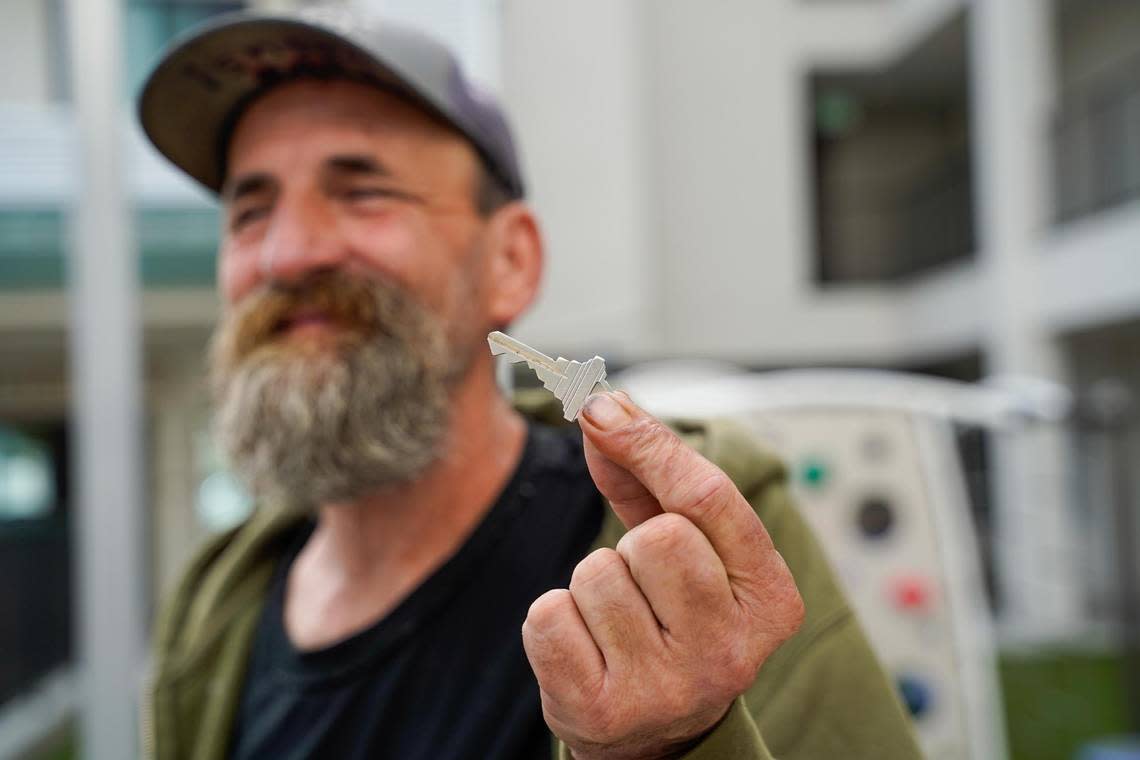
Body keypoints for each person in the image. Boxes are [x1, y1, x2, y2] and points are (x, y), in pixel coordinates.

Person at [138, 8, 922, 760]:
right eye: (249, 211)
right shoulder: (212, 612)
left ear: (511, 261)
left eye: (361, 190)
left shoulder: (688, 537)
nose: (287, 254)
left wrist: (682, 745)